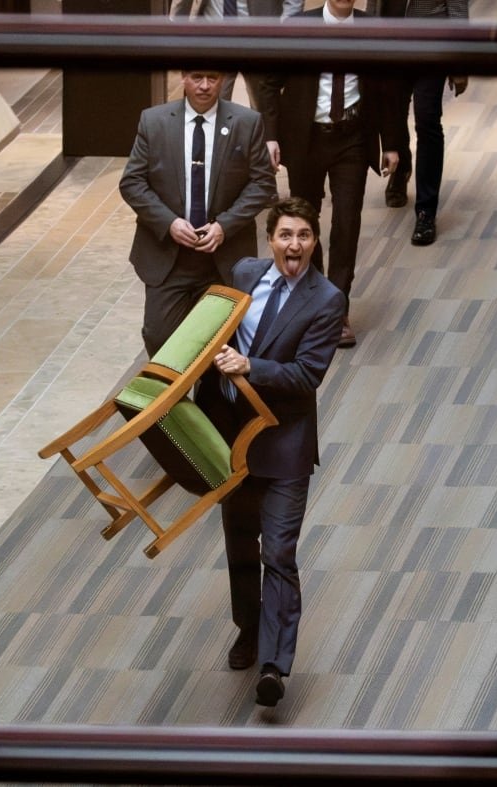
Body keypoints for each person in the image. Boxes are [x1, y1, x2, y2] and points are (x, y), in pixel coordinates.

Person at [195, 197, 345, 708]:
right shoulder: (244, 274)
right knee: (240, 544)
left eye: (304, 235)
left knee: (277, 552)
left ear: (315, 241)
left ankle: (275, 668)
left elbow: (306, 376)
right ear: (271, 240)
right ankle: (249, 628)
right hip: (232, 442)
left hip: (284, 446)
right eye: (286, 235)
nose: (294, 244)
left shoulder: (327, 300)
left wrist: (249, 367)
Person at [252, 0, 404, 348]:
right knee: (305, 221)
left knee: (347, 221)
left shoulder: (373, 31)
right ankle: (315, 301)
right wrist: (271, 135)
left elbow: (387, 92)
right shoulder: (297, 28)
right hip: (306, 139)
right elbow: (269, 84)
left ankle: (337, 308)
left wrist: (392, 143)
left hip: (352, 138)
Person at [120, 70, 278, 356]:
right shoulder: (153, 121)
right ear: (183, 77)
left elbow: (262, 184)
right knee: (159, 337)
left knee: (220, 346)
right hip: (169, 258)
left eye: (212, 78)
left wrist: (224, 226)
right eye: (197, 77)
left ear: (222, 80)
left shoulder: (247, 122)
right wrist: (169, 222)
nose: (205, 86)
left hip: (223, 258)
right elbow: (132, 182)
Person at [380, 0, 469, 246]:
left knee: (427, 120)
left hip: (432, 44)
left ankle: (426, 211)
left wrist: (460, 62)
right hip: (392, 43)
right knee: (391, 113)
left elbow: (458, 10)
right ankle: (402, 168)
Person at [166, 0, 304, 115]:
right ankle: (211, 139)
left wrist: (284, 31)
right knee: (209, 104)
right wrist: (175, 30)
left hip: (259, 38)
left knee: (263, 106)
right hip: (213, 37)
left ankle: (264, 139)